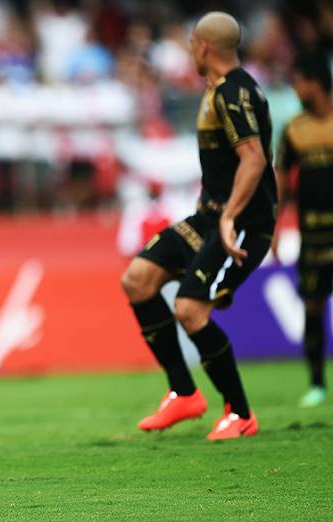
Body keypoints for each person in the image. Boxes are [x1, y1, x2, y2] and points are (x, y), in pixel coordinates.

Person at [119, 12, 276, 440]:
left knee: (190, 309)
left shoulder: (234, 93)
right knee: (138, 280)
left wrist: (228, 218)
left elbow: (255, 159)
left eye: (192, 43)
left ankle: (240, 413)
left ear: (204, 46)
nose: (190, 50)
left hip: (240, 223)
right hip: (208, 218)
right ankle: (184, 394)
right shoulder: (220, 90)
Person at [276, 52, 333, 408]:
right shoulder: (294, 129)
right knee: (312, 306)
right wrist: (276, 225)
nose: (296, 89)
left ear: (316, 83)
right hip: (312, 235)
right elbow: (282, 179)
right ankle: (317, 384)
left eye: (299, 82)